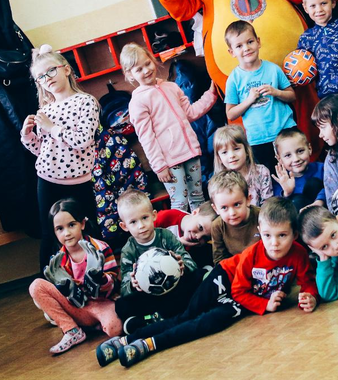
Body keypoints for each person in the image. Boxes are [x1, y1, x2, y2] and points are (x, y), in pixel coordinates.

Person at [96, 197, 318, 368]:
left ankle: (148, 345)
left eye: (282, 235)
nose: (274, 243)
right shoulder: (253, 254)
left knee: (207, 324)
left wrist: (310, 296)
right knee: (188, 315)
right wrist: (265, 304)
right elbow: (239, 290)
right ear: (260, 232)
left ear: (295, 235)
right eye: (268, 235)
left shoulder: (298, 255)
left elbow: (307, 281)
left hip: (243, 300)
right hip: (225, 278)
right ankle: (125, 341)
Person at [21, 45, 101, 266]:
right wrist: (27, 135)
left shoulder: (86, 101)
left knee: (88, 229)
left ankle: (102, 276)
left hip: (79, 182)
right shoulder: (45, 110)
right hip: (48, 180)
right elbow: (42, 150)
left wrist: (53, 127)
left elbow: (83, 140)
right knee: (49, 234)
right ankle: (50, 282)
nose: (46, 78)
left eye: (50, 71)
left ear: (66, 69)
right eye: (40, 77)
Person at [120, 43, 218, 213]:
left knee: (197, 197)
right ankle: (179, 231)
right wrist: (159, 166)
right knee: (180, 202)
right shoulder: (137, 102)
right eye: (139, 69)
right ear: (130, 75)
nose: (146, 70)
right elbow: (147, 138)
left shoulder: (171, 87)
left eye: (147, 63)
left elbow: (190, 113)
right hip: (170, 162)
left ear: (153, 60)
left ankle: (202, 229)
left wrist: (211, 95)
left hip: (190, 152)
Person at [28, 199, 121, 354]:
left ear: (82, 224)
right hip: (78, 307)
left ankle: (91, 325)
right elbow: (68, 294)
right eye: (60, 229)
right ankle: (72, 330)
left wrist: (100, 280)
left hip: (102, 304)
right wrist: (66, 288)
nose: (67, 233)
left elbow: (113, 285)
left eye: (71, 225)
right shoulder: (60, 259)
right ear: (54, 232)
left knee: (115, 329)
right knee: (36, 286)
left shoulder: (100, 248)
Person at [114, 190, 203, 334]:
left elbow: (191, 264)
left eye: (144, 218)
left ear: (154, 215)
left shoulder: (166, 236)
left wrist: (183, 266)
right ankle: (160, 315)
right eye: (133, 222)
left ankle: (154, 319)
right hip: (150, 297)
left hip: (174, 288)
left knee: (199, 275)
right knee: (121, 305)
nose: (141, 225)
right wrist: (132, 284)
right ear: (124, 226)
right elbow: (124, 289)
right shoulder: (128, 250)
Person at [223, 20, 297, 170]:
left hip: (286, 131)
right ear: (232, 52)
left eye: (250, 42)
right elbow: (230, 114)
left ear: (258, 42)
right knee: (270, 176)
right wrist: (249, 100)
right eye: (239, 46)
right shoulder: (234, 79)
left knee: (295, 170)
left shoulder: (273, 69)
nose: (246, 48)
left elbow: (292, 96)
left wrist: (276, 92)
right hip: (258, 140)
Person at [213, 124, 273, 207]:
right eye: (224, 152)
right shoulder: (219, 182)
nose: (231, 155)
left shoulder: (262, 172)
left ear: (247, 150)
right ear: (219, 158)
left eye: (236, 149)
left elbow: (268, 205)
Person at [207, 170, 261, 263]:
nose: (232, 213)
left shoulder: (262, 217)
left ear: (248, 199)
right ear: (215, 208)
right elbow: (219, 258)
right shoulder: (217, 226)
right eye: (224, 207)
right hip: (235, 266)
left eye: (236, 204)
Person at [271, 127, 326, 211]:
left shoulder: (322, 169)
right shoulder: (281, 181)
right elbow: (279, 210)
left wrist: (320, 201)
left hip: (323, 213)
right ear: (279, 159)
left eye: (300, 151)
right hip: (298, 217)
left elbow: (333, 187)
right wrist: (287, 193)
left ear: (309, 149)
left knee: (313, 183)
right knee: (297, 200)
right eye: (288, 155)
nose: (296, 159)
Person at [154, 203, 217, 268]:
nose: (198, 237)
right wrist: (177, 243)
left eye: (205, 238)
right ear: (195, 213)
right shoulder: (165, 217)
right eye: (200, 227)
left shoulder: (196, 246)